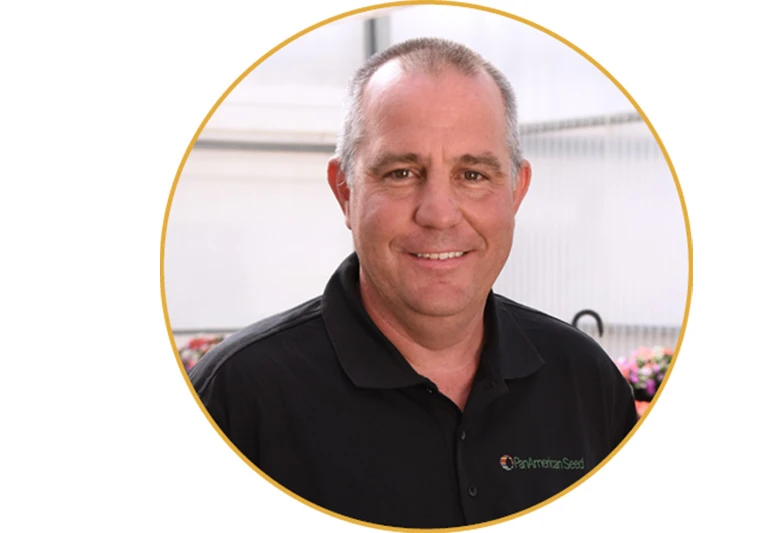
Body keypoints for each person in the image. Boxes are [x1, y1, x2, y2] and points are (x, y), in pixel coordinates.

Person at [188, 37, 637, 528]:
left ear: (516, 190)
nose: (439, 214)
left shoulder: (583, 380)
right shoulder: (237, 399)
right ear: (345, 192)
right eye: (402, 172)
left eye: (472, 174)